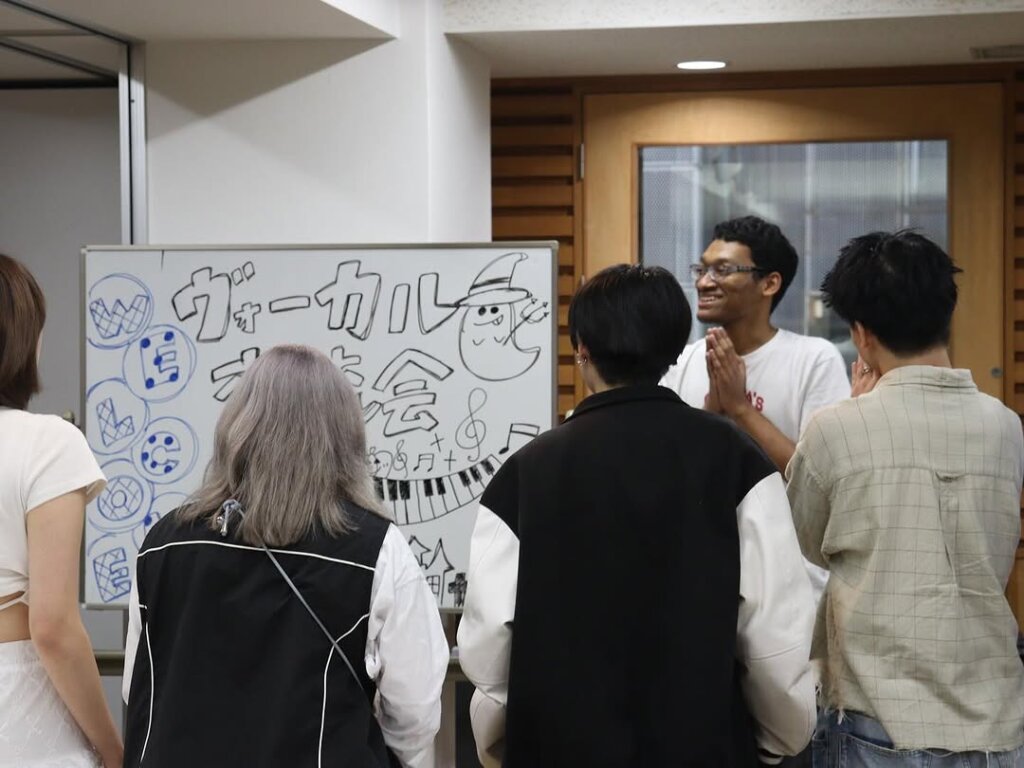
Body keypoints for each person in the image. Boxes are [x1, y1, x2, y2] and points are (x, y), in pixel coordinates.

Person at [458, 264, 816, 767]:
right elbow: (774, 635)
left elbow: (490, 645)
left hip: (558, 749)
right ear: (674, 351)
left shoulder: (525, 472)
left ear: (581, 348)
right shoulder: (737, 461)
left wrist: (501, 747)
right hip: (702, 748)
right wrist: (778, 742)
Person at [121, 345, 449, 768]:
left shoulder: (164, 544)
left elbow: (138, 686)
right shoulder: (375, 549)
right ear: (345, 440)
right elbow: (415, 713)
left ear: (236, 428)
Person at [787, 231, 1024, 766]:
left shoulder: (836, 427)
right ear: (946, 313)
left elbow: (806, 542)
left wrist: (854, 408)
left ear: (861, 333)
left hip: (878, 717)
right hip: (996, 719)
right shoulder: (1006, 426)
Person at [0, 253, 122, 768]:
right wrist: (113, 750)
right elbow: (51, 625)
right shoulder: (47, 442)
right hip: (20, 708)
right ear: (23, 338)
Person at [660, 216, 849, 473]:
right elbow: (667, 468)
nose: (703, 283)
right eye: (702, 270)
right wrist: (712, 410)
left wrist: (740, 408)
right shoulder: (681, 362)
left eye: (723, 270)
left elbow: (819, 476)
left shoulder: (814, 359)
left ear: (769, 283)